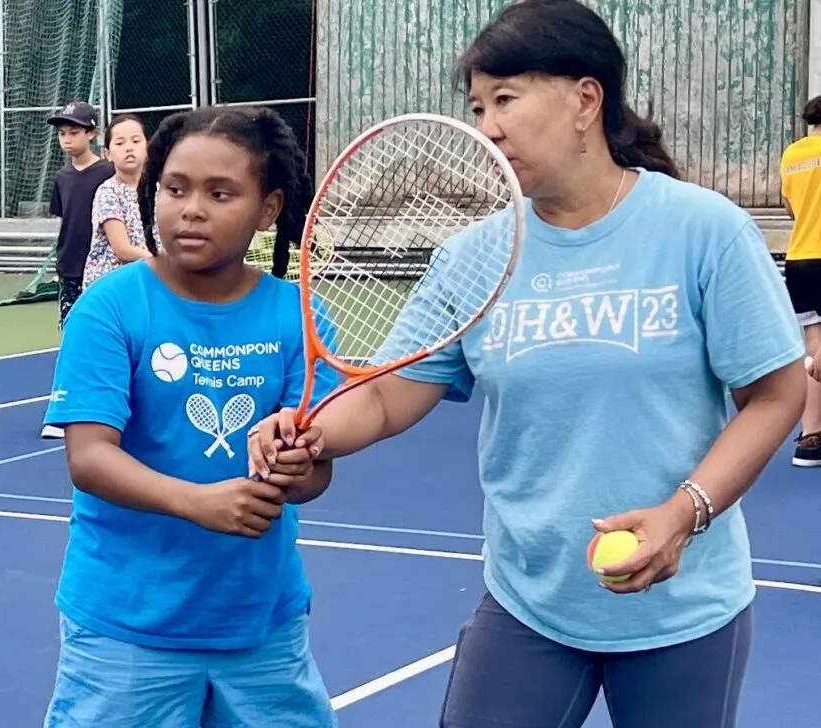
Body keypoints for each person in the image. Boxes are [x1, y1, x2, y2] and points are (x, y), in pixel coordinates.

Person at [248, 1, 806, 726]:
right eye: (479, 106)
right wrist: (312, 432)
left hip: (685, 608)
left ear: (585, 100)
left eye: (505, 100)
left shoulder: (704, 231)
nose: (488, 127)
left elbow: (776, 394)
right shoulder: (472, 257)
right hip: (529, 602)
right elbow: (387, 396)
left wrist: (685, 512)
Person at [40, 105, 341, 728]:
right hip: (125, 629)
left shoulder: (298, 316)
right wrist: (196, 502)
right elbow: (89, 457)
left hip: (261, 626)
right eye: (175, 188)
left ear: (268, 208)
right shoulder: (110, 308)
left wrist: (295, 464)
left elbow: (317, 474)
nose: (191, 208)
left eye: (221, 192)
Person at [41, 101, 115, 440]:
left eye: (74, 132)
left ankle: (110, 408)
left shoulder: (109, 174)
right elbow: (65, 220)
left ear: (92, 133)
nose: (67, 140)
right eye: (62, 134)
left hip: (104, 268)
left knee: (109, 340)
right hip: (70, 267)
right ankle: (64, 413)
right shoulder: (62, 178)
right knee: (73, 338)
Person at [779, 96, 821, 466]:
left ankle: (811, 436)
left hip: (801, 257)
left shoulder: (793, 154)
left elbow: (792, 208)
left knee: (813, 345)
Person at [83, 113, 152, 288]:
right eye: (120, 143)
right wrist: (164, 262)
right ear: (108, 153)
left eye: (136, 141)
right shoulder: (107, 192)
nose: (129, 148)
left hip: (149, 280)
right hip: (112, 287)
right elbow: (122, 249)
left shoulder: (159, 190)